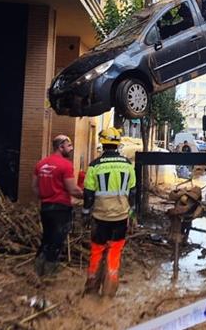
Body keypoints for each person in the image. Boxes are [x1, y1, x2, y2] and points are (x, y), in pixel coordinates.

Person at [82, 127, 136, 297]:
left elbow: (88, 194)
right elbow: (133, 192)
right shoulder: (127, 165)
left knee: (97, 251)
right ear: (118, 144)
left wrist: (85, 212)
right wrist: (132, 214)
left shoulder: (94, 166)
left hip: (100, 216)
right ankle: (109, 291)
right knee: (114, 252)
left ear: (103, 143)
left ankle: (91, 290)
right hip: (121, 217)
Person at [32, 134, 83, 276]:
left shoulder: (41, 164)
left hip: (46, 208)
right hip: (60, 209)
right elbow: (73, 189)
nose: (71, 149)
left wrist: (45, 198)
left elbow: (35, 188)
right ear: (61, 147)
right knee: (57, 241)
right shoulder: (65, 165)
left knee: (46, 239)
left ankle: (37, 272)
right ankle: (49, 275)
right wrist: (89, 196)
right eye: (69, 146)